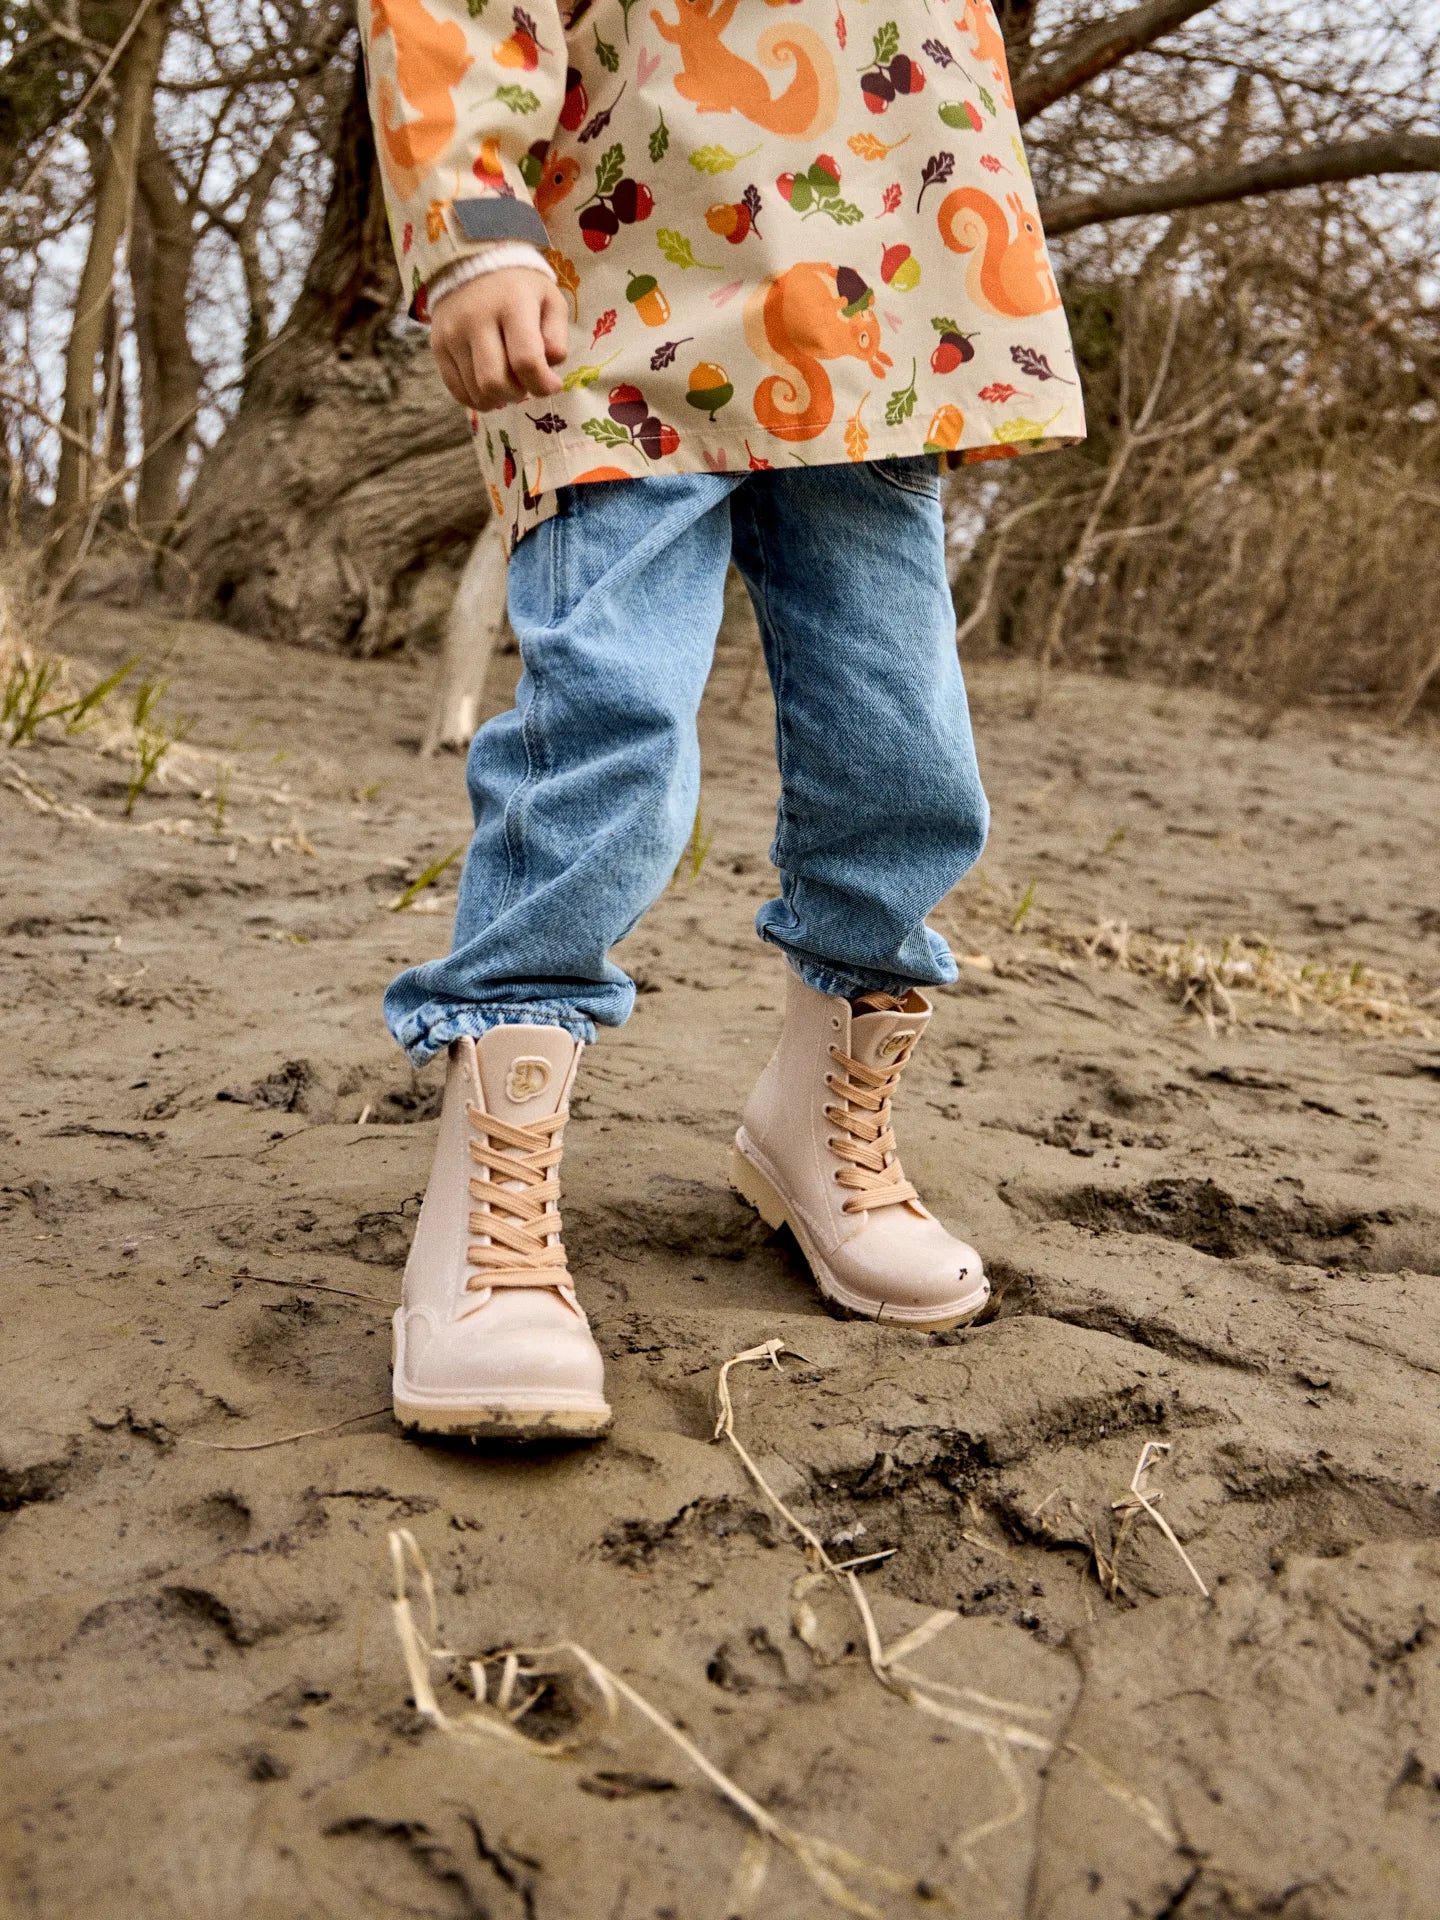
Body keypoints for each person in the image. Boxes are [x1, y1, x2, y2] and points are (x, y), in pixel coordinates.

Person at [359, 0, 1085, 1439]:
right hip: (624, 295)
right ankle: (493, 1173)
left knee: (910, 757)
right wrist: (474, 224)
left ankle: (818, 1123)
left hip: (878, 306)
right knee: (608, 731)